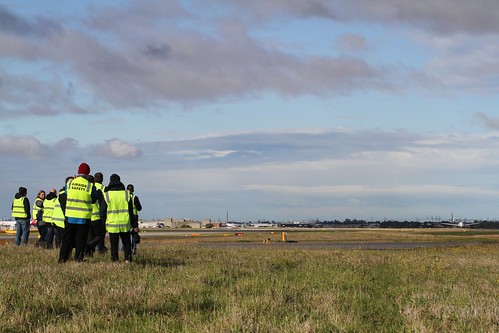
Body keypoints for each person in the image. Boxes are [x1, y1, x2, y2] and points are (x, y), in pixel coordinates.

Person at [58, 163, 97, 263]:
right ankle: (78, 259)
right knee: (81, 240)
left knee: (66, 239)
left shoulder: (70, 183)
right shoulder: (90, 185)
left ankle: (62, 259)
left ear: (78, 172)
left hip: (70, 215)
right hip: (83, 217)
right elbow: (93, 199)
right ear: (88, 173)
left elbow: (66, 193)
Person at [100, 174, 138, 262]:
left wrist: (104, 224)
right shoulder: (126, 194)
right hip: (125, 223)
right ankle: (127, 260)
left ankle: (115, 261)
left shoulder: (106, 195)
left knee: (114, 245)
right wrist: (134, 224)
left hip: (112, 224)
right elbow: (131, 212)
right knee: (127, 243)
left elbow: (102, 212)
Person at [86, 172, 107, 255]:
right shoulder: (103, 189)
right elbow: (104, 203)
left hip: (87, 216)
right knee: (100, 235)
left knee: (90, 236)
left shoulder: (86, 188)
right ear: (102, 179)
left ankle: (89, 252)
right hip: (98, 215)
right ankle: (101, 250)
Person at [51, 177, 73, 249]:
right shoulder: (64, 194)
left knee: (60, 242)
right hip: (61, 221)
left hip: (57, 221)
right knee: (65, 242)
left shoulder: (61, 194)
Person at [127, 184, 142, 255]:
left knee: (125, 233)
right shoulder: (134, 198)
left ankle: (124, 249)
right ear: (133, 190)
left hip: (125, 216)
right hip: (134, 217)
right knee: (134, 232)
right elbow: (139, 208)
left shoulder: (124, 197)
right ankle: (133, 248)